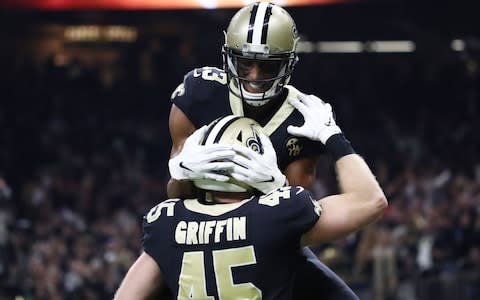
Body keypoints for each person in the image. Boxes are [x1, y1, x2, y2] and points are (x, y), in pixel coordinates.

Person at [167, 2, 361, 299]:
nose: (255, 77)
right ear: (228, 57)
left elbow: (294, 221)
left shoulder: (304, 118)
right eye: (245, 63)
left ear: (288, 64)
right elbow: (174, 194)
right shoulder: (198, 94)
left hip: (265, 242)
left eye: (268, 65)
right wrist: (183, 171)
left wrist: (277, 187)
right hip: (197, 231)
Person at [114, 113, 387, 300]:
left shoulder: (166, 221)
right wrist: (333, 136)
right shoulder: (278, 215)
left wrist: (179, 177)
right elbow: (370, 201)